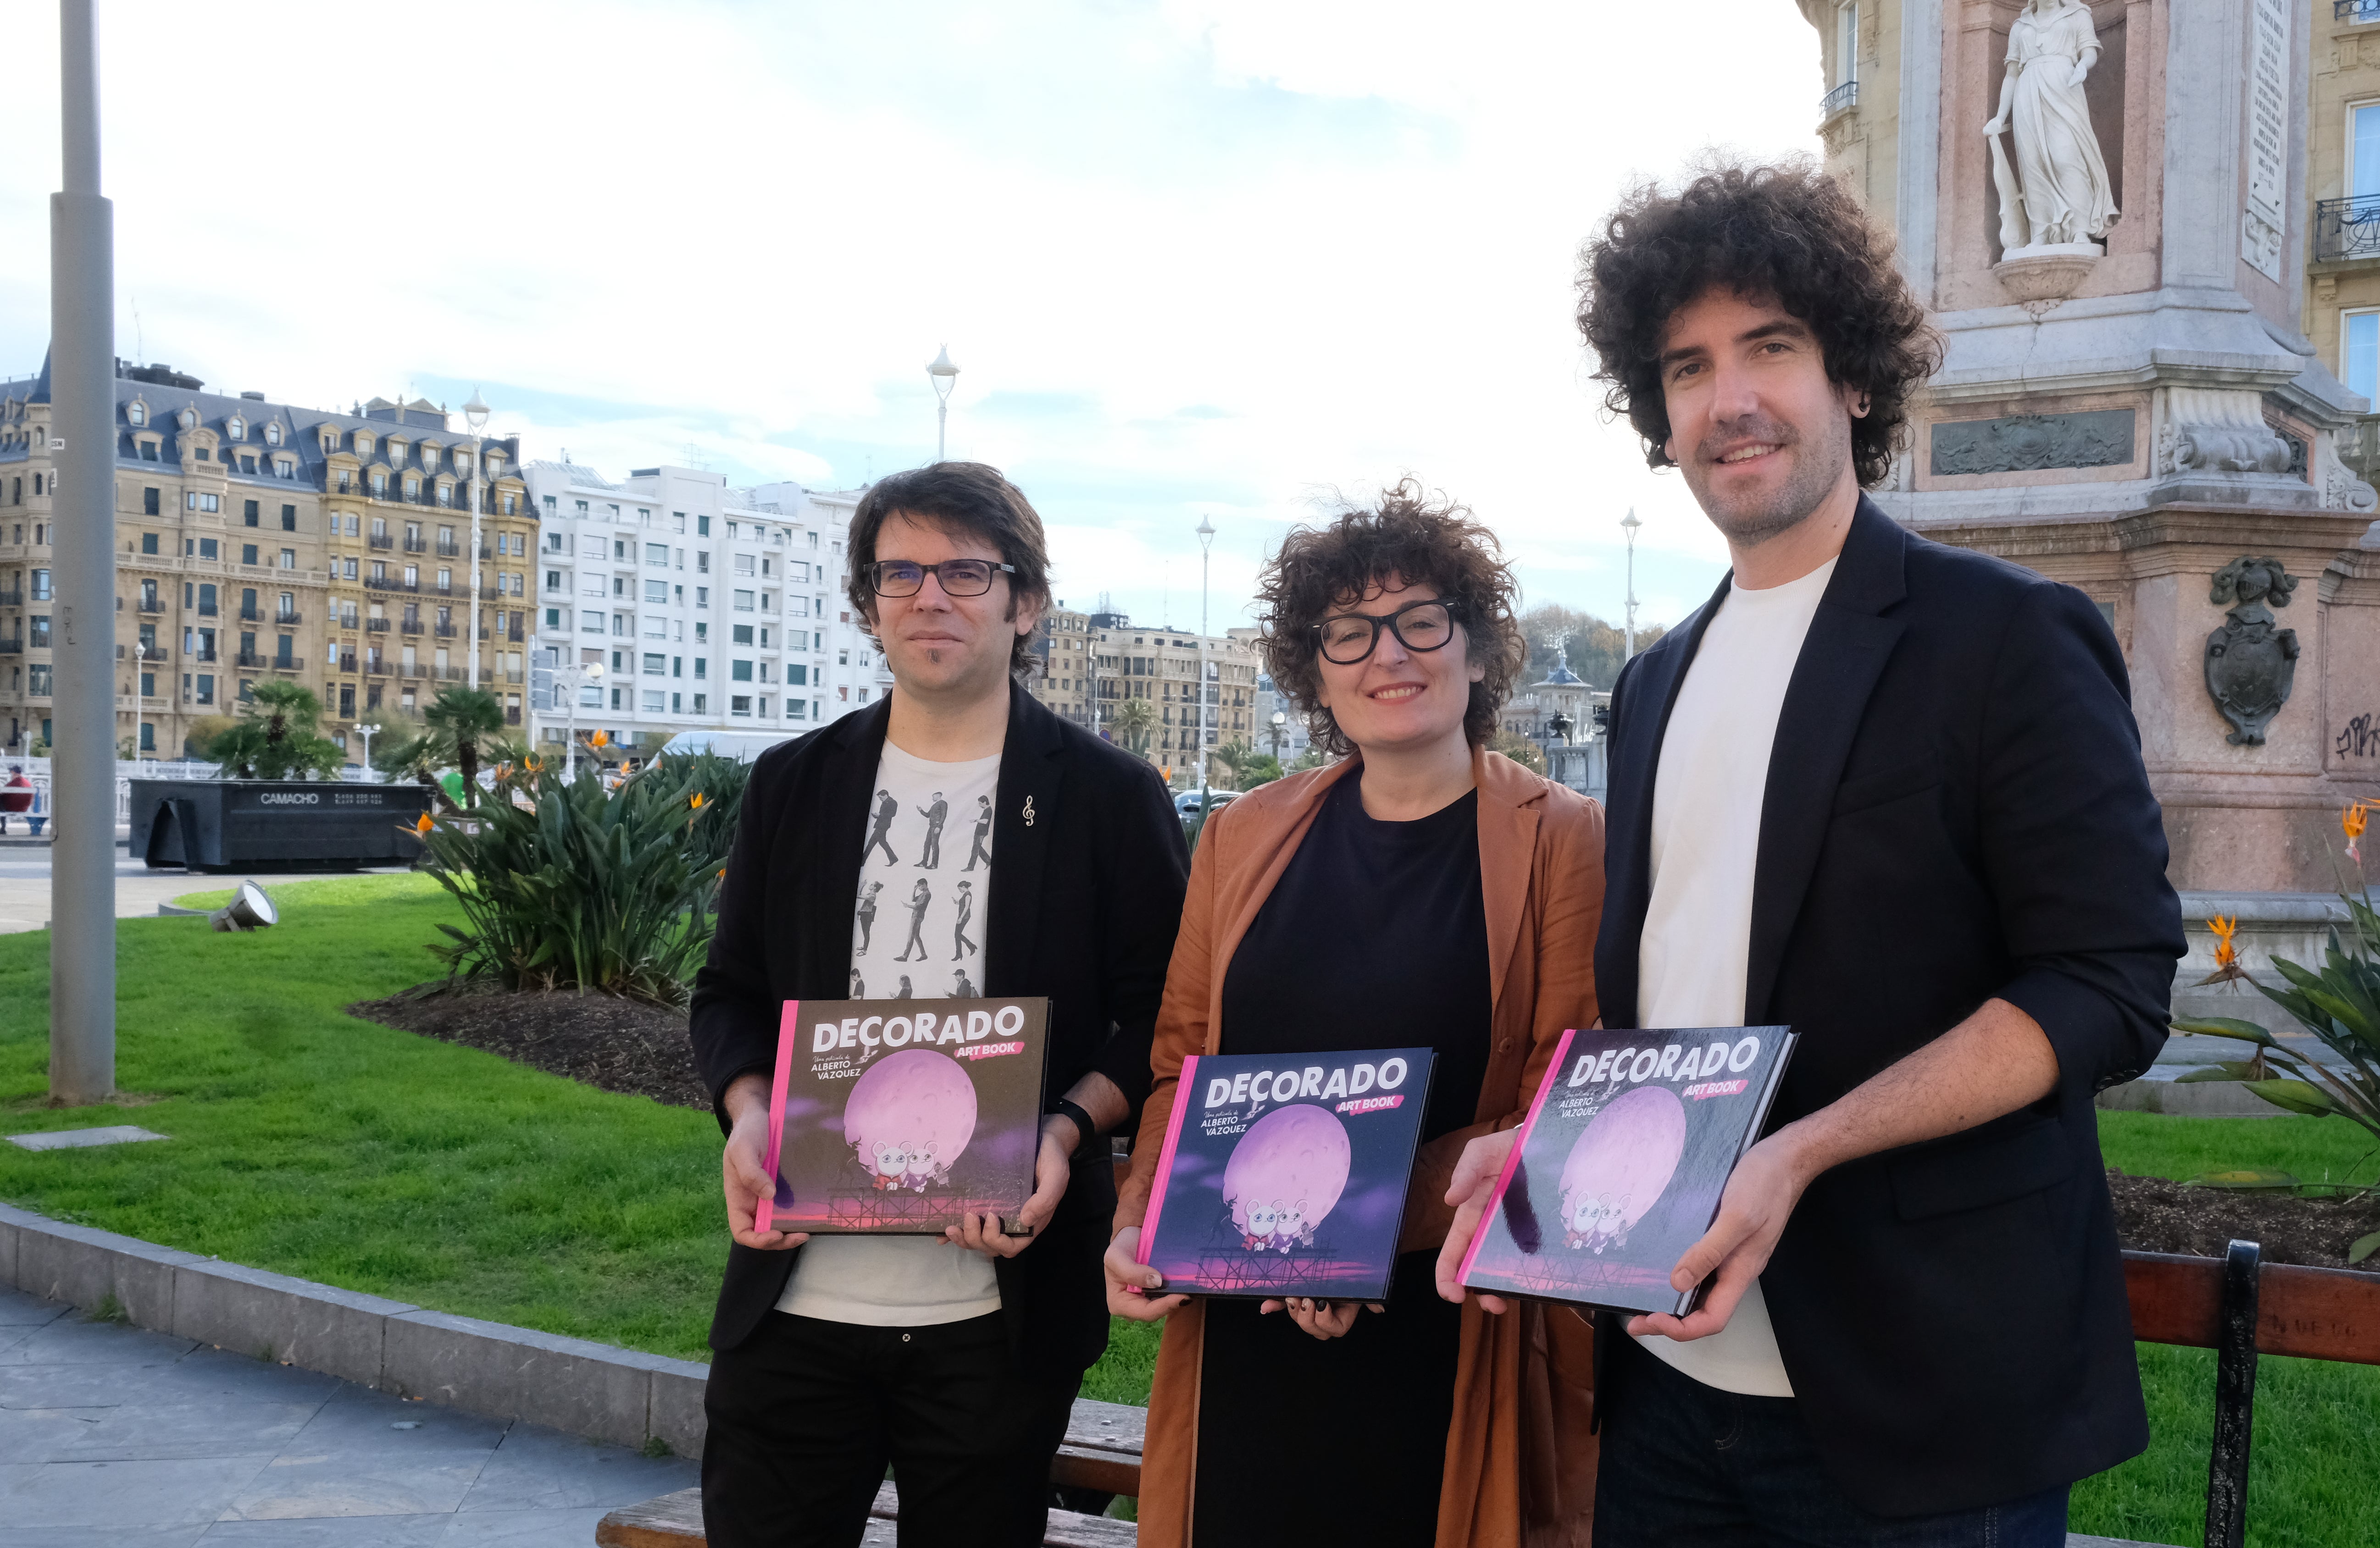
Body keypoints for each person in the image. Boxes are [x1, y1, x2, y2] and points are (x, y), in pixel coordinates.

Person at [1439, 160, 2183, 1547]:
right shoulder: (1655, 680)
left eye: (1769, 348)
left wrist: (1803, 1153)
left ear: (1852, 377)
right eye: (1687, 367)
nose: (1729, 399)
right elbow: (1682, 1012)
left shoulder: (2004, 639)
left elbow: (2110, 982)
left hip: (1921, 1396)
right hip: (1664, 1376)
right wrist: (1540, 1144)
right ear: (1657, 416)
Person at [689, 462, 1190, 1548]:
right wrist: (747, 1112)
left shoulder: (1110, 798)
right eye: (900, 572)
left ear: (1027, 601)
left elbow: (1156, 1015)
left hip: (997, 1316)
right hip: (794, 1301)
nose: (930, 595)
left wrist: (1064, 1130)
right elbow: (728, 994)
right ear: (867, 604)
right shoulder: (793, 783)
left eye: (966, 569)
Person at [1106, 483, 1604, 1548]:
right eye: (1350, 631)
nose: (1391, 653)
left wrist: (1357, 1236)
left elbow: (1562, 1099)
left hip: (1444, 1323)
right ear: (1316, 671)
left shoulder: (1564, 838)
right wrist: (1137, 1216)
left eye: (1423, 620)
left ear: (1476, 652)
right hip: (1243, 1333)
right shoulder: (1240, 836)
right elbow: (1180, 1068)